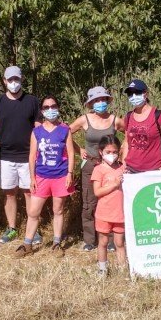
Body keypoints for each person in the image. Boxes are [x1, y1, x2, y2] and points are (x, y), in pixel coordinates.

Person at [12, 95, 74, 258]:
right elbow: (32, 156)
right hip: (41, 176)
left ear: (58, 107)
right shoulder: (36, 132)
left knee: (58, 210)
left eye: (53, 106)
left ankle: (56, 243)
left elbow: (71, 153)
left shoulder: (65, 130)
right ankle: (27, 244)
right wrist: (32, 178)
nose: (50, 110)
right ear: (42, 110)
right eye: (46, 107)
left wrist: (70, 173)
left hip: (61, 176)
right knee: (33, 212)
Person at [0, 66, 42, 245]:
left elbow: (38, 129)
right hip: (4, 156)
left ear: (22, 79)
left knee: (29, 193)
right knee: (9, 194)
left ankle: (32, 230)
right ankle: (12, 228)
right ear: (4, 81)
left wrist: (38, 155)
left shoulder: (33, 101)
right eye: (10, 80)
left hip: (28, 157)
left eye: (16, 79)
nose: (13, 83)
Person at [69, 87, 125, 252]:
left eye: (103, 99)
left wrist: (122, 153)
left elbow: (130, 133)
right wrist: (79, 150)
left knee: (114, 201)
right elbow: (65, 133)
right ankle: (89, 240)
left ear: (107, 101)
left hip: (112, 167)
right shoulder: (84, 119)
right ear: (91, 103)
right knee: (89, 203)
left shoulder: (115, 120)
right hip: (91, 165)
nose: (100, 103)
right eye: (96, 100)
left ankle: (112, 240)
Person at [92, 135, 127, 276]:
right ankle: (102, 268)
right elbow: (97, 191)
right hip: (104, 214)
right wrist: (114, 184)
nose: (112, 155)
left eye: (114, 152)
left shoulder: (123, 168)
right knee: (103, 242)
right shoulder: (98, 170)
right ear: (101, 152)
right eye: (108, 152)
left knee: (119, 243)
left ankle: (122, 269)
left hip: (120, 213)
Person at [120, 79, 161, 172]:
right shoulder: (128, 116)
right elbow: (127, 141)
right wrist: (123, 162)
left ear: (145, 93)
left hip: (154, 169)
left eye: (137, 92)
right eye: (130, 93)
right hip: (131, 169)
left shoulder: (158, 115)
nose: (133, 96)